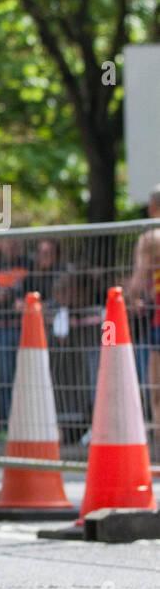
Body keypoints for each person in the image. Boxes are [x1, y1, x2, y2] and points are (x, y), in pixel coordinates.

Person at [126, 184, 160, 442]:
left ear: (152, 207)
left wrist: (128, 296)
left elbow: (138, 282)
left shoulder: (151, 238)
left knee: (157, 388)